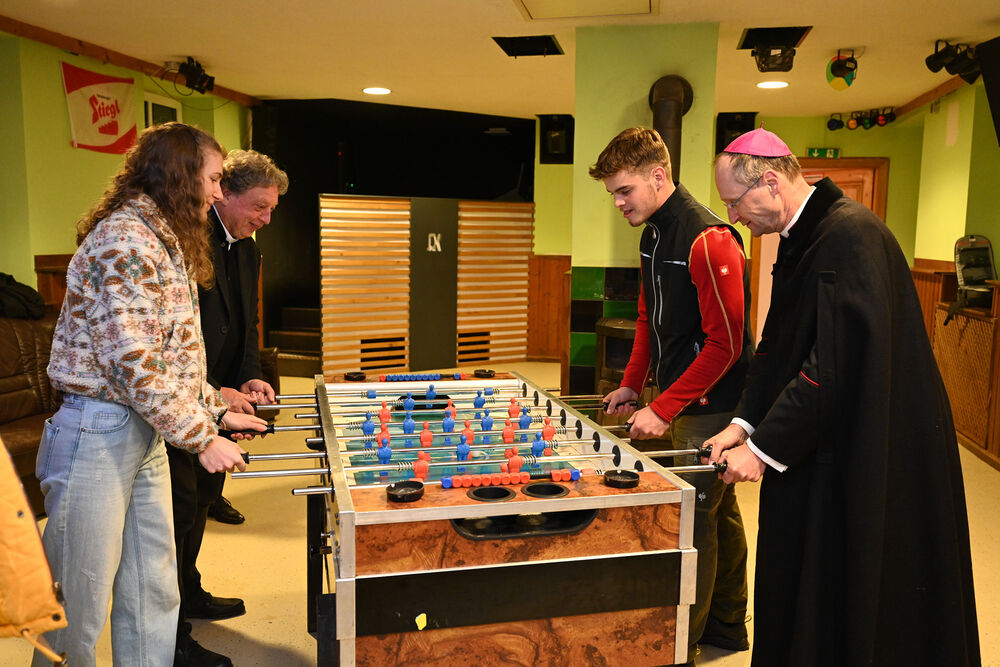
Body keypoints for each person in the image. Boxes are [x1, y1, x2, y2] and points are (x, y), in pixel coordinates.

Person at [706, 127, 981, 666]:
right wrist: (743, 425)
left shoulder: (849, 235)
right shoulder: (802, 235)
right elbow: (776, 346)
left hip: (863, 448)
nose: (734, 216)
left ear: (770, 182)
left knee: (849, 587)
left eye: (735, 202)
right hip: (817, 438)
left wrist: (761, 452)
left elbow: (833, 366)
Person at [35, 122, 267, 667]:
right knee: (78, 604)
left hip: (143, 431)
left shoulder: (166, 240)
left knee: (152, 590)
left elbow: (173, 358)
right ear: (180, 176)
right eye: (214, 179)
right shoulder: (125, 241)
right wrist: (201, 436)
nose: (218, 193)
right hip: (96, 432)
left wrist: (217, 408)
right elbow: (132, 362)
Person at [590, 127, 752, 661]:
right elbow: (647, 317)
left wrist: (663, 407)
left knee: (694, 522)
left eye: (624, 190)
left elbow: (727, 345)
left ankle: (686, 645)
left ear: (658, 176)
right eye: (613, 193)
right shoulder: (652, 235)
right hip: (681, 396)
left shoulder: (710, 239)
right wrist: (633, 382)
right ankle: (727, 628)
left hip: (716, 406)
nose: (618, 202)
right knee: (717, 512)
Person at [168, 149, 287, 665]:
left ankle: (189, 591)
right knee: (178, 513)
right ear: (225, 194)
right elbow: (180, 340)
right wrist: (216, 393)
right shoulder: (191, 239)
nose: (266, 218)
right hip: (186, 400)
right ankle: (170, 629)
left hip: (221, 396)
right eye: (259, 206)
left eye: (271, 209)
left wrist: (249, 376)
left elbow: (246, 322)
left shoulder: (248, 248)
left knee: (202, 500)